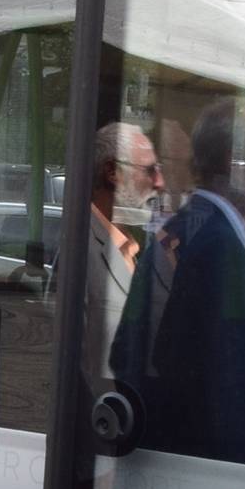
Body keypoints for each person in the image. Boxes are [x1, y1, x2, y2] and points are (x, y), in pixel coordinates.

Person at [108, 96, 245, 463]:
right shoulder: (215, 246)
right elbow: (220, 387)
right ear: (235, 163)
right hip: (210, 474)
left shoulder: (199, 231)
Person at [86, 121, 163, 346]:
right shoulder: (82, 246)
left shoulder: (128, 247)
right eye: (150, 170)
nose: (160, 182)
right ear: (113, 172)